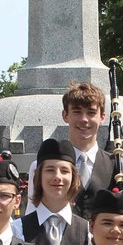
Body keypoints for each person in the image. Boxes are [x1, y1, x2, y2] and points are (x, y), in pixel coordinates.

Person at [25, 82, 114, 217]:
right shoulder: (40, 166)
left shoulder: (115, 164)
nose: (84, 119)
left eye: (91, 113)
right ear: (65, 115)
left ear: (102, 117)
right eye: (77, 112)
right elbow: (32, 212)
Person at [14, 137, 90, 245]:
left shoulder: (88, 232)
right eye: (50, 170)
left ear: (73, 178)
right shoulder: (17, 230)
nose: (57, 177)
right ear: (38, 177)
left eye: (64, 171)